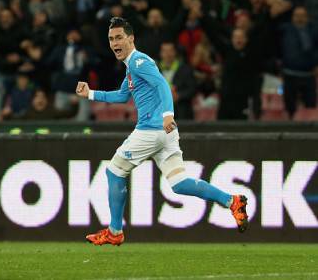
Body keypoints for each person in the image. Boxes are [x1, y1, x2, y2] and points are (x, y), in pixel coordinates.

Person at [76, 17, 248, 246]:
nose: (114, 42)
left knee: (114, 171)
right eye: (111, 38)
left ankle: (115, 231)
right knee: (179, 182)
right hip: (164, 134)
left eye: (119, 37)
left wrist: (168, 114)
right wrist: (90, 94)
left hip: (151, 129)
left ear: (131, 39)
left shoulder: (139, 62)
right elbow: (122, 95)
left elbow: (163, 85)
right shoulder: (132, 68)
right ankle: (232, 201)